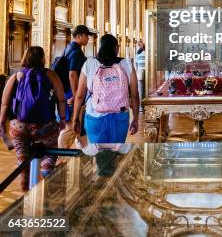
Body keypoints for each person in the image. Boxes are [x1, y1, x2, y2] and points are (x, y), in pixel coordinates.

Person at [0, 47, 66, 191]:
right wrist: (62, 119)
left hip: (19, 127)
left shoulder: (16, 76)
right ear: (42, 58)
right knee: (49, 154)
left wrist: (2, 131)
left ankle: (25, 198)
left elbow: (5, 104)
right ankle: (45, 177)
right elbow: (61, 100)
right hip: (45, 127)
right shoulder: (50, 74)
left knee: (23, 165)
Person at [73, 34, 139, 143]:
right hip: (120, 117)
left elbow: (79, 96)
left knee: (98, 154)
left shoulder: (89, 64)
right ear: (116, 48)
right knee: (116, 154)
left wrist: (75, 119)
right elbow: (135, 95)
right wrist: (136, 119)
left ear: (100, 47)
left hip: (94, 117)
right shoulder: (126, 64)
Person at [57, 25, 89, 149]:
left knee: (76, 125)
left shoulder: (69, 48)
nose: (88, 39)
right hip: (72, 94)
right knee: (70, 127)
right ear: (79, 36)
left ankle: (82, 151)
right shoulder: (76, 52)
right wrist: (76, 95)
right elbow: (72, 74)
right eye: (86, 36)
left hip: (67, 92)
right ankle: (59, 156)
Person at [134, 40, 145, 113]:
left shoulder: (138, 55)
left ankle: (141, 107)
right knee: (146, 92)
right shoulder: (147, 54)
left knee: (140, 91)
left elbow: (136, 67)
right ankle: (146, 106)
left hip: (140, 74)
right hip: (148, 74)